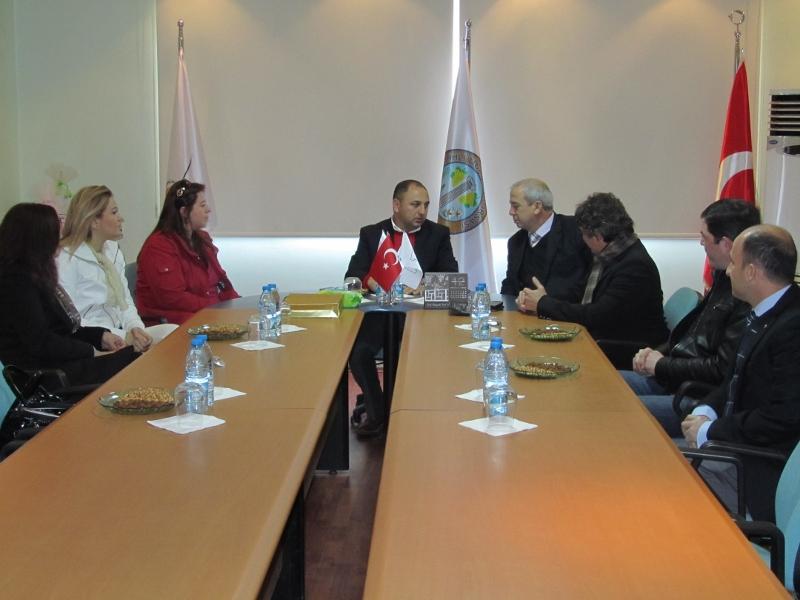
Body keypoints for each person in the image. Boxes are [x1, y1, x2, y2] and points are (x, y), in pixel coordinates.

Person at [682, 224, 800, 521]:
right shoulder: (763, 312)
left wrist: (711, 431)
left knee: (662, 476)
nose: (727, 270)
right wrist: (706, 411)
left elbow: (783, 418)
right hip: (734, 446)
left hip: (758, 467)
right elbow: (733, 380)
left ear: (752, 272)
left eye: (733, 262)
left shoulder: (793, 328)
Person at [620, 200, 760, 436]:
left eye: (704, 237)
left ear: (726, 244)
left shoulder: (745, 296)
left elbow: (721, 371)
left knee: (616, 409)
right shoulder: (723, 279)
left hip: (695, 395)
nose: (700, 243)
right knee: (602, 385)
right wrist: (654, 355)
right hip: (675, 377)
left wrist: (662, 364)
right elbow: (690, 336)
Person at [346, 180, 458, 437]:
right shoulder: (372, 233)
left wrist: (424, 286)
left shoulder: (438, 234)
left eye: (426, 205)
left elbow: (451, 275)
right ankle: (376, 408)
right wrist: (373, 283)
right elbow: (353, 274)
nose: (422, 211)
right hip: (380, 315)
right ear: (397, 205)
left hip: (422, 319)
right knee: (359, 352)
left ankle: (405, 412)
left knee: (406, 355)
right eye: (415, 205)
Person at [0, 203, 137, 386]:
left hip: (59, 363)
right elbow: (41, 343)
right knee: (132, 360)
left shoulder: (36, 275)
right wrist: (91, 351)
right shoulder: (16, 283)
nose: (61, 237)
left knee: (134, 355)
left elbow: (63, 330)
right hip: (44, 375)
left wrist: (100, 337)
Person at [517, 192, 668, 350]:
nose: (582, 239)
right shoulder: (613, 253)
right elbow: (580, 298)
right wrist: (540, 301)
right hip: (607, 339)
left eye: (583, 233)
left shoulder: (634, 267)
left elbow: (596, 316)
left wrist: (543, 303)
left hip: (627, 350)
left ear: (597, 237)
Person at [58, 185, 177, 351]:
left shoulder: (113, 251)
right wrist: (121, 336)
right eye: (114, 212)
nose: (121, 218)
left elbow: (125, 302)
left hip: (121, 332)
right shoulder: (66, 258)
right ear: (94, 221)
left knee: (174, 332)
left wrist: (135, 328)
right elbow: (69, 318)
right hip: (94, 340)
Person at [136, 180, 239, 324]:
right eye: (202, 205)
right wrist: (216, 307)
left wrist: (238, 306)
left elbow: (222, 282)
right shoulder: (158, 247)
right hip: (175, 322)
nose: (208, 209)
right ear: (184, 211)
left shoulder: (202, 240)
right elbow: (173, 298)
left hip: (208, 314)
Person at [501, 178, 591, 302]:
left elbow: (581, 283)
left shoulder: (575, 230)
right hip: (521, 313)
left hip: (563, 312)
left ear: (537, 207)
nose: (510, 212)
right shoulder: (515, 242)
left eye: (515, 206)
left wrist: (543, 303)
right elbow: (510, 285)